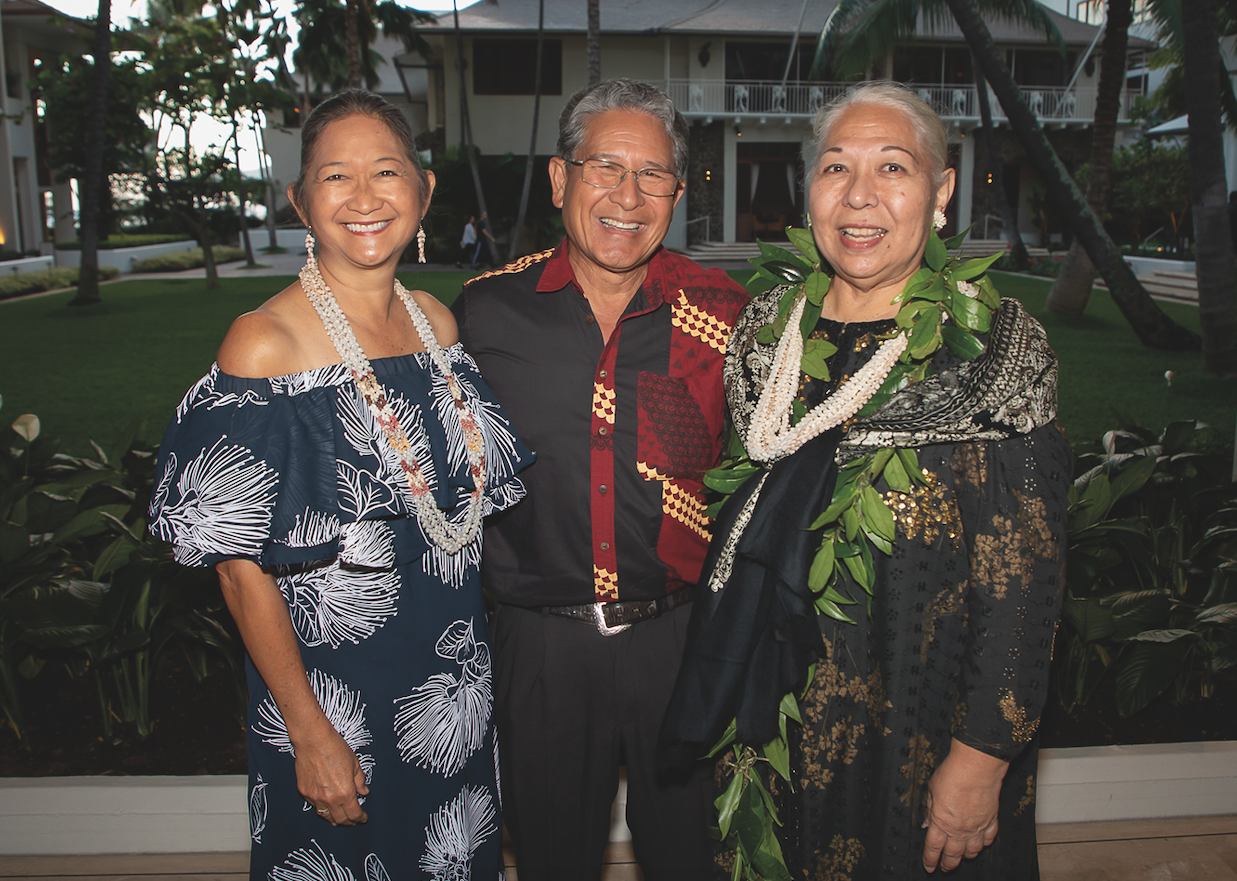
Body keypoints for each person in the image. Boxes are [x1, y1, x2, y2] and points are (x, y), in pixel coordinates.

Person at [661, 82, 1071, 880]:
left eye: (892, 167)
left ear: (940, 190)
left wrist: (980, 758)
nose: (858, 196)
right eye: (834, 167)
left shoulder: (990, 353)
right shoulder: (766, 335)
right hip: (773, 728)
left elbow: (1026, 588)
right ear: (809, 187)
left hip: (918, 734)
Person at [148, 89, 532, 880]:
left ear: (423, 192)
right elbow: (236, 565)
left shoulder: (436, 325)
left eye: (386, 172)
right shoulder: (266, 344)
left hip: (450, 682)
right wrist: (310, 733)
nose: (364, 198)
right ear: (299, 199)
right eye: (335, 177)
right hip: (332, 700)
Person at [452, 78, 749, 881]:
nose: (628, 195)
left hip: (680, 641)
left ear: (678, 193)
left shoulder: (723, 310)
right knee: (552, 860)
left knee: (692, 860)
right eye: (604, 167)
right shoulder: (484, 312)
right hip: (539, 645)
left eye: (653, 175)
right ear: (560, 179)